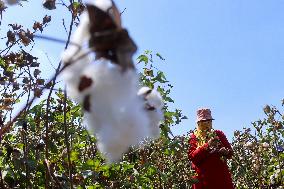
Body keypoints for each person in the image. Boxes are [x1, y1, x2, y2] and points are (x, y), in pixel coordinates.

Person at [188, 108, 234, 189]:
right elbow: (193, 157)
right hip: (203, 181)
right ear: (198, 123)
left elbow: (230, 153)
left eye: (209, 121)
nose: (206, 124)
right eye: (203, 121)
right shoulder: (194, 138)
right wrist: (207, 145)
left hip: (221, 179)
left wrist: (225, 152)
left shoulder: (218, 134)